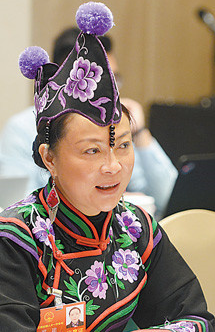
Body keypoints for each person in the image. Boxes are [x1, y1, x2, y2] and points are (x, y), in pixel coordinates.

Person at [0, 2, 214, 332]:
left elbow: (200, 321)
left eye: (123, 145)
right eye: (92, 150)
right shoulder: (16, 237)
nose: (113, 166)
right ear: (49, 159)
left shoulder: (136, 228)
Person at [0, 27, 177, 217]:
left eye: (114, 78)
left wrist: (139, 133)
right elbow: (17, 204)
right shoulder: (21, 129)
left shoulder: (117, 125)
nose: (111, 89)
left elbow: (169, 197)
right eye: (92, 150)